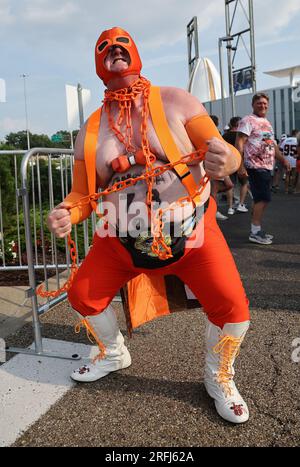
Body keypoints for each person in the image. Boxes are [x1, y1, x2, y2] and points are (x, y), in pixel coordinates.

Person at [47, 27, 250, 424]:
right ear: (98, 64)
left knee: (234, 310)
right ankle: (113, 352)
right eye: (103, 46)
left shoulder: (177, 101)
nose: (113, 48)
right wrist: (66, 213)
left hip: (192, 233)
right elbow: (80, 196)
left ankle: (218, 376)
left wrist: (229, 162)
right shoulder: (89, 131)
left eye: (122, 44)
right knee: (83, 297)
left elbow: (221, 152)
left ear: (135, 54)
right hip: (120, 240)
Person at [236, 93, 290, 245]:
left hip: (267, 166)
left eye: (265, 103)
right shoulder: (247, 120)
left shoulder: (266, 123)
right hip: (255, 165)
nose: (263, 106)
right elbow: (239, 143)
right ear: (253, 104)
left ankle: (256, 228)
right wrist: (240, 165)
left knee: (261, 198)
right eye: (259, 103)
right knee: (263, 198)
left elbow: (272, 144)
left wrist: (283, 159)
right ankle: (255, 232)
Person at [223, 116, 249, 214]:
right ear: (238, 124)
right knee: (244, 183)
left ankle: (230, 207)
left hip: (229, 162)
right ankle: (241, 204)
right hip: (241, 161)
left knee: (230, 185)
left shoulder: (225, 136)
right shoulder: (242, 136)